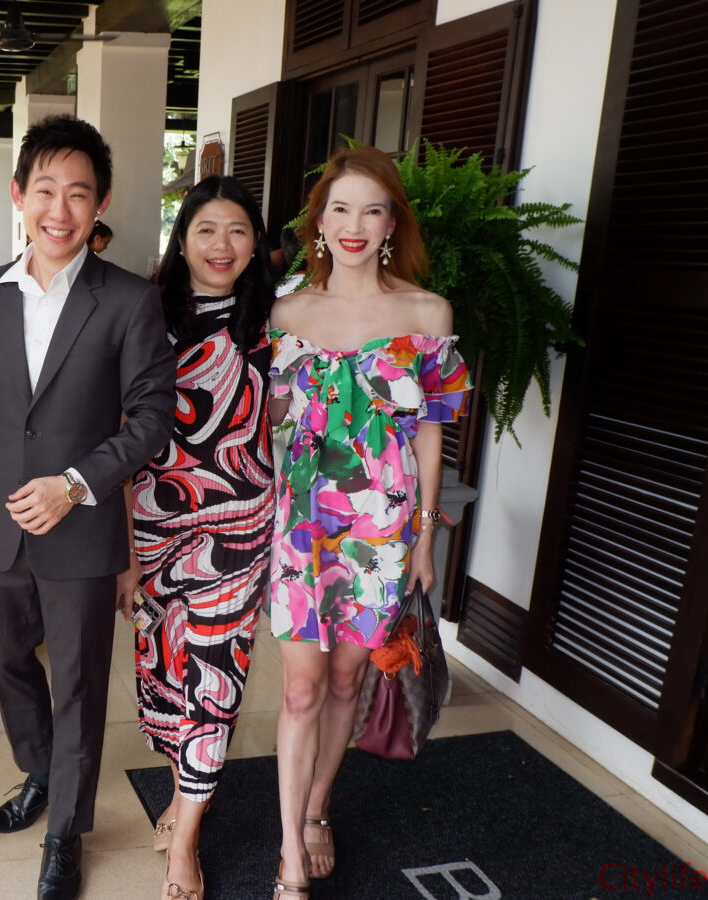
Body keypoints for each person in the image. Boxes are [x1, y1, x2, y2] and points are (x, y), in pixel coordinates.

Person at [0, 115, 176, 900]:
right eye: (46, 190)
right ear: (18, 195)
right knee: (7, 663)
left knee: (76, 683)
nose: (60, 209)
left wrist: (73, 484)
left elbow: (151, 419)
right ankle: (41, 772)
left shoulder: (128, 300)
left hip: (81, 527)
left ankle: (64, 832)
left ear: (99, 203)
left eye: (78, 193)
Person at [265, 146, 472, 899]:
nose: (354, 225)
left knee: (348, 678)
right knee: (300, 690)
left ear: (392, 224)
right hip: (303, 525)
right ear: (319, 222)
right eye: (340, 209)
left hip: (383, 530)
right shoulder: (287, 312)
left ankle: (318, 808)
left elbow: (431, 431)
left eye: (372, 210)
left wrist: (424, 534)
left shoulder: (427, 313)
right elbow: (270, 418)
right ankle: (290, 853)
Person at [122, 176, 277, 900]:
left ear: (257, 243)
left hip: (241, 527)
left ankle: (185, 839)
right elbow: (117, 432)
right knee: (163, 670)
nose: (222, 245)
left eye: (238, 230)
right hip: (153, 526)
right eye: (207, 229)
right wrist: (123, 546)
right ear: (181, 239)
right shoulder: (142, 316)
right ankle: (184, 787)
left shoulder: (276, 323)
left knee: (216, 679)